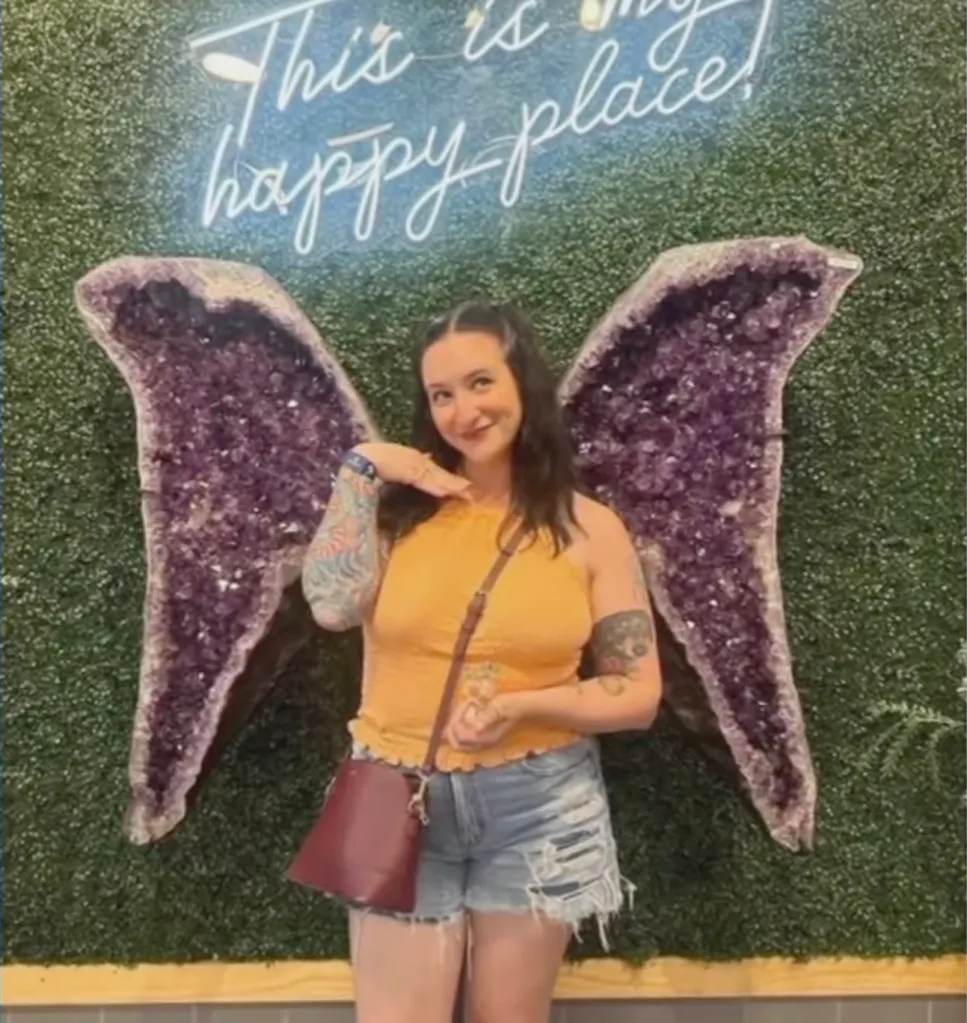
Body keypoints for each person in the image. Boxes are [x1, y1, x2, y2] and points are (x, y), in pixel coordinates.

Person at [301, 300, 662, 1023]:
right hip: (396, 796)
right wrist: (361, 469)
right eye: (441, 394)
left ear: (522, 382)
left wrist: (523, 707)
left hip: (539, 806)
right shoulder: (400, 514)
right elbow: (331, 608)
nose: (463, 411)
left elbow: (636, 694)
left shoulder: (590, 529)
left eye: (480, 382)